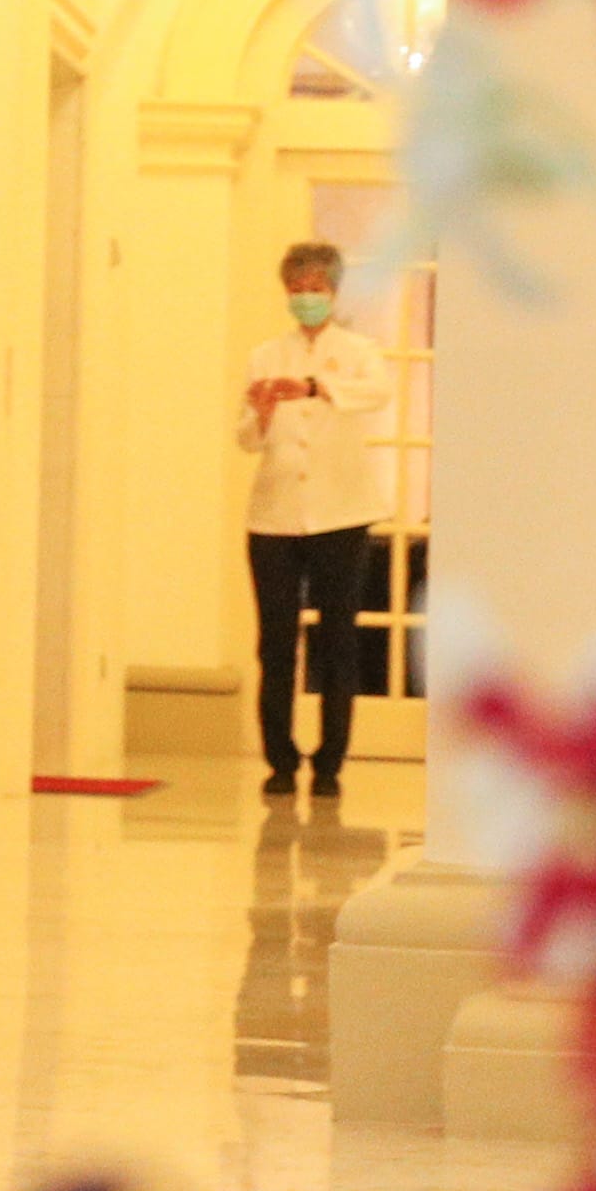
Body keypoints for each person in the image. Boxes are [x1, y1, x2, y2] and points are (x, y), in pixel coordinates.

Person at [238, 241, 395, 800]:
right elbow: (245, 439)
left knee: (337, 639)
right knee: (276, 642)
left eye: (316, 289)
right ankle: (279, 758)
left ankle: (331, 760)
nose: (306, 298)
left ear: (333, 292)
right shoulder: (264, 354)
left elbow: (377, 392)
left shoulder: (358, 350)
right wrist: (260, 412)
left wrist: (314, 388)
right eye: (297, 290)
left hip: (342, 514)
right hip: (274, 517)